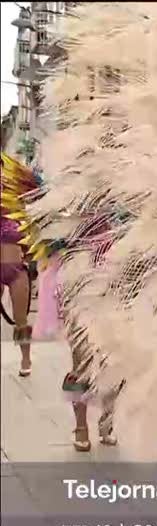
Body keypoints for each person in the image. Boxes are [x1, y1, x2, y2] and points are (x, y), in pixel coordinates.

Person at [1, 153, 37, 377]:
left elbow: (37, 189)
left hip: (15, 265)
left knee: (21, 319)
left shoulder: (14, 170)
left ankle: (26, 357)